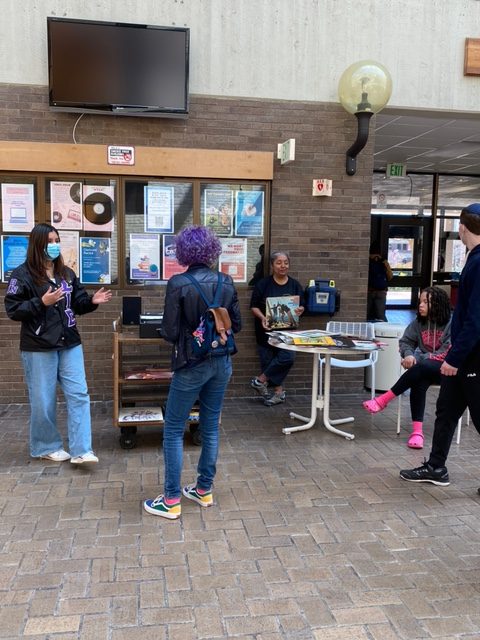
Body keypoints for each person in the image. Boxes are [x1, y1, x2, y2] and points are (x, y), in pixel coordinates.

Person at [143, 226, 241, 520]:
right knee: (210, 426)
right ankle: (203, 489)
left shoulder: (178, 283)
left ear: (184, 252)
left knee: (173, 429)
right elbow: (237, 324)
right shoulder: (226, 281)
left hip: (190, 364)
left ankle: (171, 499)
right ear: (212, 250)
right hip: (222, 361)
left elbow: (171, 331)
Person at [4, 223, 112, 464]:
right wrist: (41, 302)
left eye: (57, 240)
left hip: (70, 343)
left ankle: (82, 450)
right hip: (39, 346)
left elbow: (78, 303)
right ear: (38, 244)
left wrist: (92, 301)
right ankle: (45, 446)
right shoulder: (22, 275)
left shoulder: (67, 273)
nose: (54, 245)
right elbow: (13, 309)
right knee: (43, 399)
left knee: (79, 395)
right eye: (49, 241)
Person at [399, 203, 480, 488]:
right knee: (445, 412)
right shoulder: (473, 258)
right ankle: (436, 467)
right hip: (463, 359)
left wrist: (455, 358)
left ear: (461, 228)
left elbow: (475, 320)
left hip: (472, 360)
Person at [363, 286, 451, 449]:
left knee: (419, 368)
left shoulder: (451, 324)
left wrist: (416, 358)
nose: (421, 305)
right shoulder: (418, 323)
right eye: (420, 302)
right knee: (418, 378)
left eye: (426, 302)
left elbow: (446, 352)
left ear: (438, 304)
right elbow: (405, 342)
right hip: (425, 369)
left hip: (447, 370)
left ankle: (384, 399)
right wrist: (408, 354)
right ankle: (417, 433)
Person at [250, 251, 304, 406]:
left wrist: (300, 309)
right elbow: (253, 306)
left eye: (286, 262)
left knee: (287, 357)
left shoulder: (294, 284)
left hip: (287, 331)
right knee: (268, 362)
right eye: (279, 263)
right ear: (272, 265)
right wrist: (262, 317)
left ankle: (260, 380)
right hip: (265, 331)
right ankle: (279, 393)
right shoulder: (263, 284)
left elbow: (301, 306)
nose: (283, 266)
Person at [366, 241, 393, 322]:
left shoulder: (367, 260)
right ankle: (385, 330)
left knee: (365, 313)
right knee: (381, 315)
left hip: (369, 290)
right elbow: (390, 276)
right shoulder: (383, 261)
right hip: (381, 291)